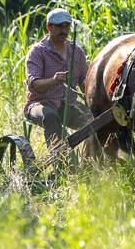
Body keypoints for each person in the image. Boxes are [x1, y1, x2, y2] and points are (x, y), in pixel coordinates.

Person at [24, 8, 93, 150]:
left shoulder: (76, 52)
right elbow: (34, 84)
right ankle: (60, 162)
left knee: (93, 119)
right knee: (50, 116)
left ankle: (89, 161)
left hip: (68, 104)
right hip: (40, 104)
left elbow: (84, 82)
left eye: (66, 26)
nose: (64, 30)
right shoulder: (37, 52)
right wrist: (53, 80)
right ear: (49, 27)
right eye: (59, 26)